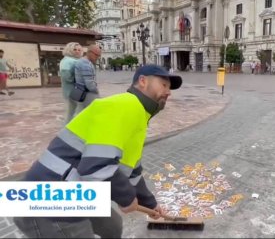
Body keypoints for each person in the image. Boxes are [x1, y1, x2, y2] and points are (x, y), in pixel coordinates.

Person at [13, 64, 183, 238]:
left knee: (112, 226)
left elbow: (133, 172)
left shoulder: (139, 115)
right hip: (48, 198)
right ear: (142, 81)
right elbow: (96, 167)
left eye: (169, 88)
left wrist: (150, 203)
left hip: (76, 191)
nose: (168, 92)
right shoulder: (124, 105)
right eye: (164, 85)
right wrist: (126, 197)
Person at [59, 42, 83, 124]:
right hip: (73, 90)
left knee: (72, 111)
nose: (77, 51)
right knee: (78, 111)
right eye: (75, 49)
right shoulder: (69, 61)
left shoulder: (72, 60)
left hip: (73, 90)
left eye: (79, 50)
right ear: (69, 50)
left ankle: (68, 129)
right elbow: (66, 77)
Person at [74, 44, 101, 110]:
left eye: (99, 55)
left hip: (81, 92)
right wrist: (96, 91)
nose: (97, 57)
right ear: (89, 52)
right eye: (96, 55)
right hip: (87, 94)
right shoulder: (85, 64)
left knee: (81, 112)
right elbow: (90, 84)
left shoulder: (82, 61)